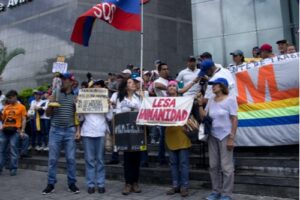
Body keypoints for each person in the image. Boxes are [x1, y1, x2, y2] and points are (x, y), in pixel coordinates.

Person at [198, 78, 238, 200]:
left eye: (215, 85)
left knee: (226, 167)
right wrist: (200, 104)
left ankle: (226, 194)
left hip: (225, 135)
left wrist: (232, 138)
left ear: (222, 86)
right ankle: (216, 191)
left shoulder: (230, 99)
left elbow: (234, 119)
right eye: (212, 85)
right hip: (212, 136)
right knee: (213, 165)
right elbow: (204, 116)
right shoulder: (210, 100)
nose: (213, 87)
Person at [42, 73, 80, 195]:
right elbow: (48, 114)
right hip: (55, 130)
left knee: (71, 159)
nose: (62, 81)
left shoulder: (75, 96)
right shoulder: (55, 94)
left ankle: (72, 184)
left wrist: (78, 130)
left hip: (70, 130)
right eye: (61, 79)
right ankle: (51, 184)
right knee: (52, 159)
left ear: (71, 82)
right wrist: (50, 104)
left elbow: (77, 116)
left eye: (64, 79)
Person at [76, 79, 112, 194]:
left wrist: (109, 105)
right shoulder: (86, 100)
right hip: (87, 132)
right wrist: (78, 105)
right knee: (90, 160)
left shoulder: (105, 101)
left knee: (100, 160)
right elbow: (80, 118)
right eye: (94, 87)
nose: (97, 89)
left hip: (101, 132)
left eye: (99, 87)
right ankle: (90, 184)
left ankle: (101, 184)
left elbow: (110, 117)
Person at [114, 78, 143, 195]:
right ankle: (128, 183)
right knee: (127, 159)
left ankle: (135, 182)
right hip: (125, 132)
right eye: (130, 82)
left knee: (137, 158)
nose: (133, 84)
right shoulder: (120, 99)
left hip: (137, 131)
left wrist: (144, 98)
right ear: (126, 86)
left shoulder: (139, 98)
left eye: (134, 82)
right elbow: (117, 114)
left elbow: (143, 111)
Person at [165, 80, 191, 197]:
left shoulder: (183, 101)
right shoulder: (162, 102)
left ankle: (184, 186)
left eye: (173, 86)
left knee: (183, 163)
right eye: (169, 85)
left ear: (177, 89)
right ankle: (175, 185)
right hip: (170, 135)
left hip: (182, 134)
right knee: (173, 163)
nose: (171, 87)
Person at [0, 90, 27, 176]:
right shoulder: (6, 107)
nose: (9, 100)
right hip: (5, 130)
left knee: (13, 149)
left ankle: (13, 168)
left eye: (10, 98)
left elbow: (24, 119)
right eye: (8, 98)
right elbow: (3, 118)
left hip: (15, 131)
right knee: (1, 150)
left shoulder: (21, 107)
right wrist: (2, 126)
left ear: (15, 97)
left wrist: (22, 130)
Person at [154, 63, 169, 165]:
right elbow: (157, 86)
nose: (166, 71)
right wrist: (171, 87)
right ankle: (161, 158)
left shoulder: (169, 81)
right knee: (163, 135)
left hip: (172, 111)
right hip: (163, 111)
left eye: (167, 69)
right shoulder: (157, 81)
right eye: (163, 69)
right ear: (159, 71)